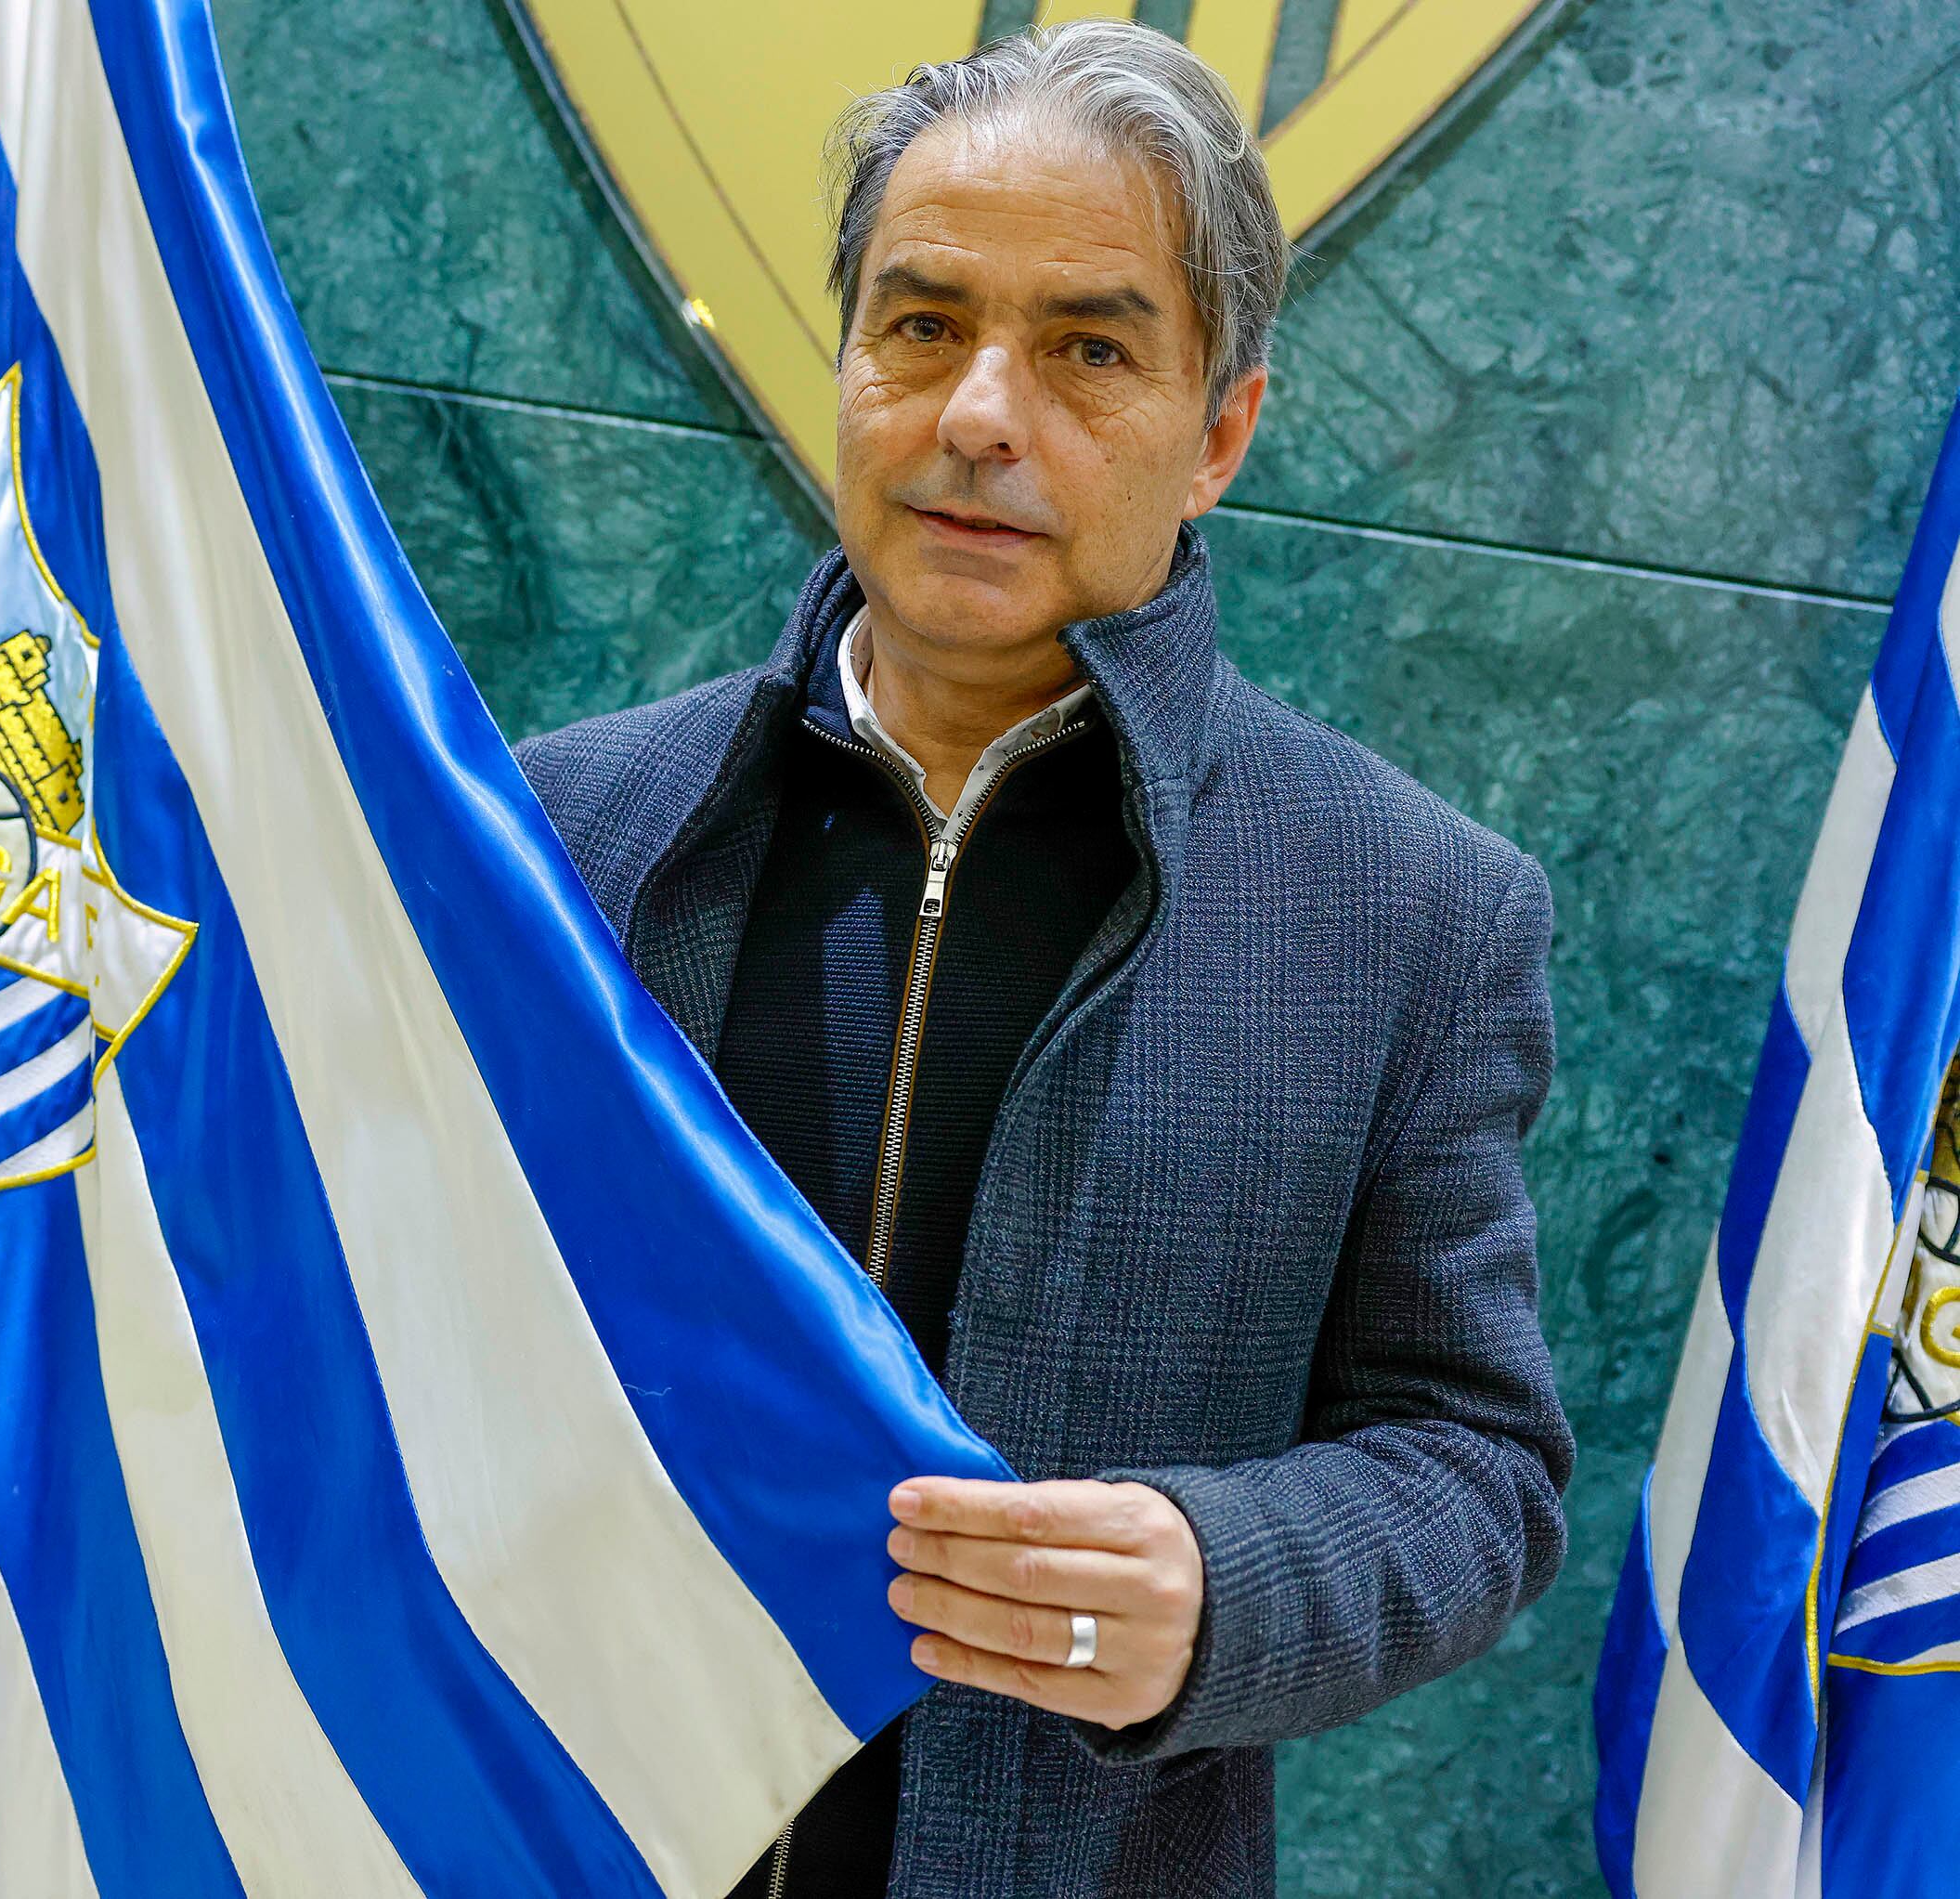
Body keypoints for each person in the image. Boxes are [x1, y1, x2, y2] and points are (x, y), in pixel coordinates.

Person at [515, 21, 1574, 1897]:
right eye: (921, 326)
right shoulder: (556, 836)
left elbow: (1475, 1469)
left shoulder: (1410, 911)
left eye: (1089, 350)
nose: (981, 416)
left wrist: (1223, 1587)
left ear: (1221, 432)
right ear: (843, 360)